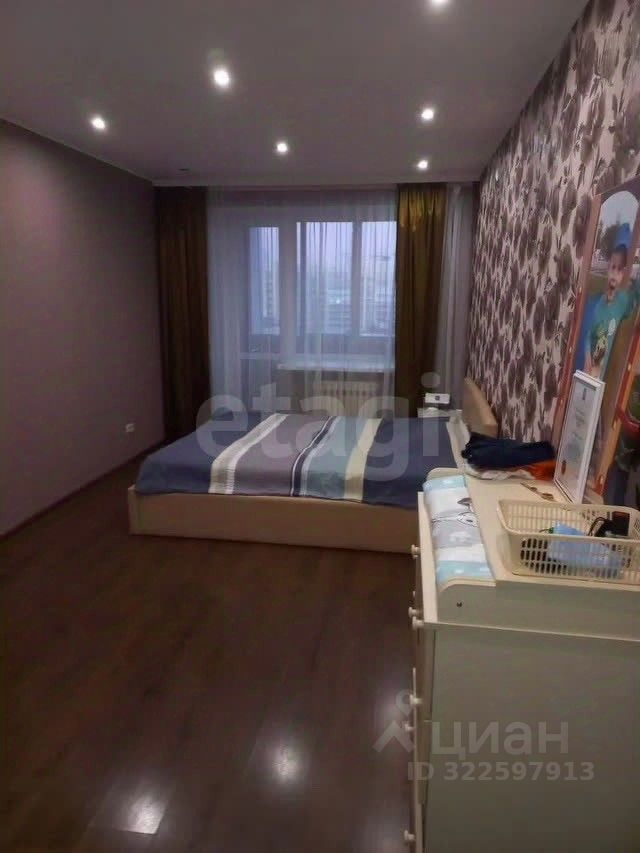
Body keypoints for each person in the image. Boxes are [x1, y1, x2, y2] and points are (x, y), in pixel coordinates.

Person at [584, 223, 640, 380]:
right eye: (613, 267)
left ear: (624, 273)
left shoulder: (622, 302)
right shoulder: (595, 303)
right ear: (608, 268)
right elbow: (587, 332)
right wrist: (587, 354)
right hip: (585, 370)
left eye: (620, 269)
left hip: (600, 376)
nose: (615, 274)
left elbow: (636, 296)